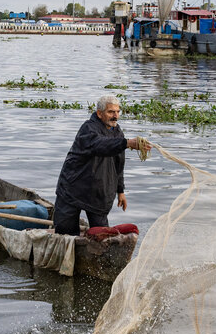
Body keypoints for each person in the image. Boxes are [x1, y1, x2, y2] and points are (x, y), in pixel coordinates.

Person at [52, 95, 151, 235]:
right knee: (65, 234)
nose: (115, 116)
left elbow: (119, 163)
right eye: (111, 112)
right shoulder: (88, 129)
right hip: (73, 189)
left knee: (102, 236)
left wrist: (120, 191)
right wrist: (127, 143)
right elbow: (99, 145)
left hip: (98, 192)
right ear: (99, 113)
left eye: (117, 112)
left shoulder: (117, 132)